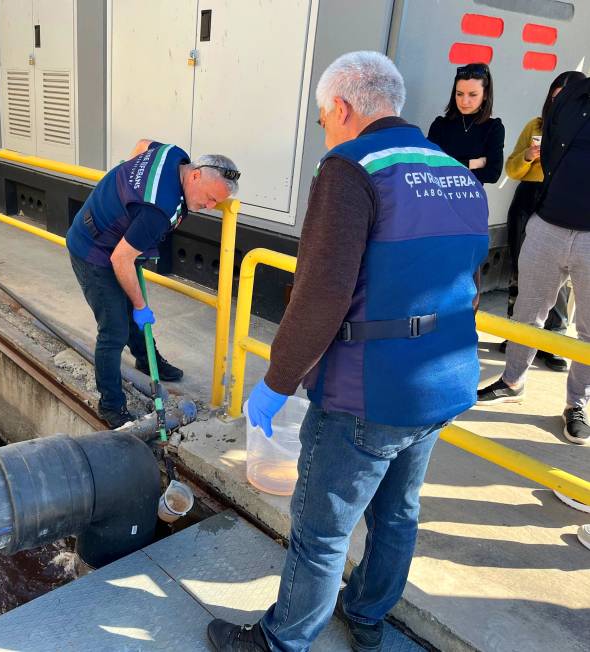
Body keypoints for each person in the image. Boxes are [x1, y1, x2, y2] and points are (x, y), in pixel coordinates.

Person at [207, 51, 489, 652]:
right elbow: (468, 273)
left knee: (322, 530)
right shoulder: (454, 171)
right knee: (397, 514)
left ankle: (283, 640)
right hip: (443, 379)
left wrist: (277, 381)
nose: (324, 130)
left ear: (340, 107)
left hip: (368, 389)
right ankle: (366, 616)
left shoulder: (350, 168)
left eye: (320, 118)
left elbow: (322, 294)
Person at [66, 140, 238, 429]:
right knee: (114, 329)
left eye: (216, 204)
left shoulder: (174, 154)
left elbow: (142, 145)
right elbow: (121, 260)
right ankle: (110, 406)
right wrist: (140, 305)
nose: (209, 207)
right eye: (209, 198)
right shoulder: (159, 210)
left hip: (116, 241)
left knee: (128, 311)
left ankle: (147, 360)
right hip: (94, 251)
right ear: (195, 175)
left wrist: (126, 199)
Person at [477, 73, 590, 446]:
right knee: (527, 313)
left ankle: (577, 404)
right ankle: (512, 381)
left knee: (588, 332)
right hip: (547, 226)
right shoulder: (571, 97)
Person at [500, 71, 586, 372]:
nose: (559, 99)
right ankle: (517, 338)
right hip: (529, 198)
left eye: (568, 94)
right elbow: (511, 169)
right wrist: (529, 156)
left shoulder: (579, 132)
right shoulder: (535, 126)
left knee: (562, 284)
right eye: (556, 93)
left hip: (563, 208)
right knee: (523, 270)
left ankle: (555, 340)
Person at [427, 62, 505, 185]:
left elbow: (492, 174)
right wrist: (471, 164)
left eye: (473, 94)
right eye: (459, 94)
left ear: (485, 94)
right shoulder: (440, 125)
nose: (464, 101)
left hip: (469, 200)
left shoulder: (493, 128)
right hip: (436, 197)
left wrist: (448, 167)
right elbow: (429, 166)